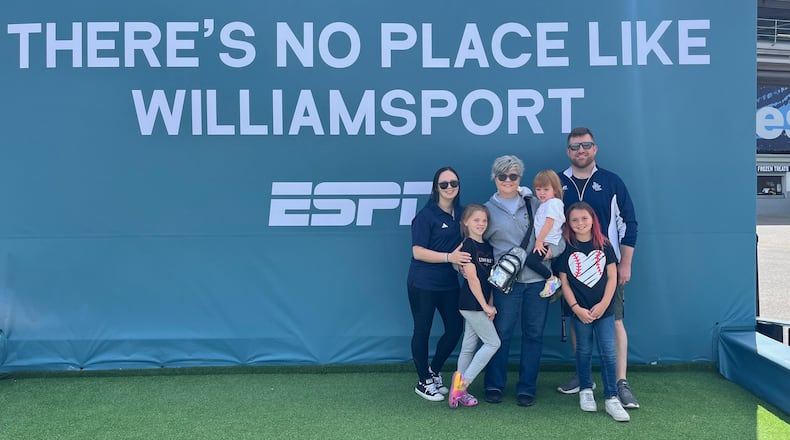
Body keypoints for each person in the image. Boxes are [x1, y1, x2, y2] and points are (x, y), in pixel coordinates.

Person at [556, 127, 640, 410]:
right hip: (572, 269)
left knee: (614, 321)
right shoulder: (558, 182)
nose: (581, 151)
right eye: (575, 147)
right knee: (578, 320)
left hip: (607, 270)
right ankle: (585, 380)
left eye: (586, 145)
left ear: (595, 148)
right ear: (568, 151)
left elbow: (629, 223)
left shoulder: (611, 182)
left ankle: (620, 382)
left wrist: (625, 262)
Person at [481, 155, 564, 407]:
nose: (508, 180)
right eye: (502, 176)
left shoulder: (537, 202)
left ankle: (527, 387)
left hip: (539, 280)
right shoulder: (487, 210)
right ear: (495, 178)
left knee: (534, 334)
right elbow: (478, 245)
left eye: (513, 176)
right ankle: (494, 384)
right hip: (508, 282)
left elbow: (559, 237)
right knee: (501, 334)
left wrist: (553, 251)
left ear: (520, 178)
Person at [557, 202, 630, 422]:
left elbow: (612, 278)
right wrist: (576, 308)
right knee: (584, 351)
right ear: (568, 223)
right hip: (580, 312)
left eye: (584, 219)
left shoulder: (604, 245)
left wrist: (604, 304)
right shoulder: (566, 246)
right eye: (574, 220)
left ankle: (611, 397)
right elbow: (565, 283)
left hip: (604, 312)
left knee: (608, 352)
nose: (580, 223)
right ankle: (586, 390)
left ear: (593, 220)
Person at [407, 166, 471, 402]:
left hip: (448, 283)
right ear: (436, 188)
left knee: (455, 329)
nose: (449, 188)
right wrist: (449, 257)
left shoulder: (462, 214)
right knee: (422, 331)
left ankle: (433, 371)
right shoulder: (426, 215)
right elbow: (418, 252)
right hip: (423, 283)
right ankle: (423, 381)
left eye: (453, 183)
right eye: (444, 184)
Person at [449, 204, 501, 409]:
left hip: (480, 304)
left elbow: (489, 280)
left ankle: (461, 393)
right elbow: (472, 279)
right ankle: (463, 385)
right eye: (476, 220)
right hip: (470, 303)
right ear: (465, 222)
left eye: (484, 220)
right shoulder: (467, 245)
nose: (481, 224)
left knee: (469, 346)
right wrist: (484, 306)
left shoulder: (487, 246)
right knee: (493, 343)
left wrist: (490, 304)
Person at [524, 170, 565, 299]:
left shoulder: (554, 203)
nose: (541, 193)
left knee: (531, 261)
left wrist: (539, 241)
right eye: (538, 189)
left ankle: (552, 279)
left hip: (548, 242)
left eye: (546, 189)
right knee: (532, 261)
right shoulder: (545, 204)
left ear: (555, 190)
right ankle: (551, 279)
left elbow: (549, 222)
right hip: (545, 241)